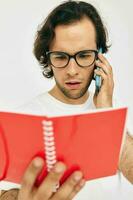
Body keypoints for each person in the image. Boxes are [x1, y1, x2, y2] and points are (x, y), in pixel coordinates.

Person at [0, 1, 133, 199]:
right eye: (61, 57)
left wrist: (106, 112)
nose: (72, 71)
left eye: (84, 55)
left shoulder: (115, 112)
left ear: (100, 57)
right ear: (47, 57)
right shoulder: (22, 119)